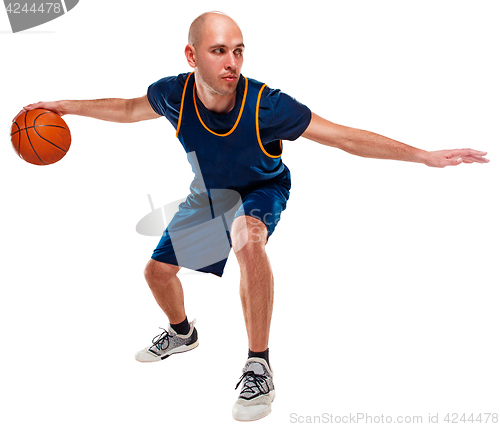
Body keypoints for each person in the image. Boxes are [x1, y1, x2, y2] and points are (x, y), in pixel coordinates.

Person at [17, 11, 489, 422]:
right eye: (219, 50)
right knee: (157, 273)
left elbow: (343, 136)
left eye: (238, 51)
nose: (232, 62)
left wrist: (423, 155)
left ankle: (258, 365)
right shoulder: (171, 95)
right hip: (210, 194)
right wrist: (64, 107)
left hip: (263, 188)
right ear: (191, 56)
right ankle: (183, 334)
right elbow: (126, 108)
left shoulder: (267, 105)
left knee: (247, 237)